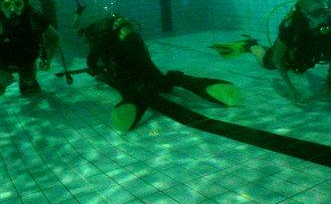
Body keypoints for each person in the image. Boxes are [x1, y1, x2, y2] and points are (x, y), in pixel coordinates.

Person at [78, 14, 242, 131]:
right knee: (158, 80)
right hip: (142, 57)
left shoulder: (99, 37)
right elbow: (139, 53)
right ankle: (183, 80)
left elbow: (92, 61)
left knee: (130, 87)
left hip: (129, 67)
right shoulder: (115, 29)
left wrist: (95, 69)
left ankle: (135, 98)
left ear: (89, 35)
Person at [238, 0, 331, 103]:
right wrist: (290, 87)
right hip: (290, 54)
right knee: (266, 62)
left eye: (324, 11)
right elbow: (277, 59)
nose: (322, 18)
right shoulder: (291, 27)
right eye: (315, 14)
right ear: (304, 12)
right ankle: (251, 45)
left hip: (309, 51)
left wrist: (329, 82)